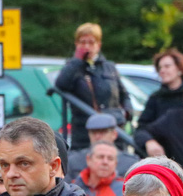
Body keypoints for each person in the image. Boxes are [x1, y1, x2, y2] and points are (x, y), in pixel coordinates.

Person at [55, 23, 132, 152]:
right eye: (82, 42)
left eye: (91, 42)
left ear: (98, 45)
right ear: (76, 44)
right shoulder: (72, 68)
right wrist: (77, 60)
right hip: (85, 134)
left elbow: (124, 95)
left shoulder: (109, 67)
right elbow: (61, 84)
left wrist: (126, 113)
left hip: (113, 130)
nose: (86, 47)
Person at [66, 113, 138, 180]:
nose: (97, 136)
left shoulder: (130, 163)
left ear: (114, 134)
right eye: (93, 132)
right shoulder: (74, 161)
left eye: (103, 132)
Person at [137, 48, 183, 130]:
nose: (162, 71)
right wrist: (149, 141)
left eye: (167, 66)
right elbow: (142, 128)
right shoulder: (156, 98)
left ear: (180, 69)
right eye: (160, 68)